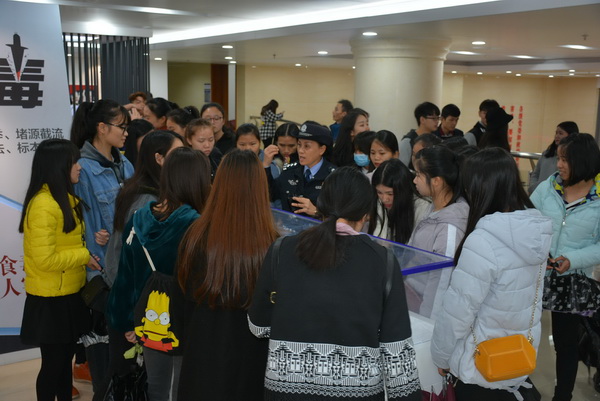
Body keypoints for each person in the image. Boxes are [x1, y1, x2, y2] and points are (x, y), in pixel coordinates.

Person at [249, 166, 421, 401]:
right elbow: (397, 352)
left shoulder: (282, 250)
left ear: (321, 205)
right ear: (366, 213)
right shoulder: (383, 261)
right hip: (357, 393)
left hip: (287, 392)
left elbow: (258, 326)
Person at [431, 147, 553, 400]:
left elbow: (458, 312)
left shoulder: (483, 240)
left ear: (480, 188)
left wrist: (441, 356)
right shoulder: (535, 233)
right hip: (516, 356)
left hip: (480, 364)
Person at [108, 147, 211, 401]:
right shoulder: (199, 226)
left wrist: (127, 321)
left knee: (155, 385)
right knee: (184, 386)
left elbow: (125, 277)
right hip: (188, 321)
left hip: (151, 319)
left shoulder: (139, 218)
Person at [177, 149, 279, 400]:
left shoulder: (195, 236)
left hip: (201, 361)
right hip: (253, 366)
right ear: (260, 188)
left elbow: (182, 301)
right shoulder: (273, 245)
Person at [19, 139, 102, 401]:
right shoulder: (44, 205)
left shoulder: (63, 199)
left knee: (64, 362)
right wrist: (83, 256)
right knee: (53, 365)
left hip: (68, 292)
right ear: (58, 166)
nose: (79, 167)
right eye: (74, 162)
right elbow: (45, 259)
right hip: (50, 299)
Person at [70, 99, 134, 400]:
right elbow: (83, 226)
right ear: (101, 128)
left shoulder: (126, 164)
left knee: (126, 355)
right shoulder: (83, 169)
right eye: (122, 127)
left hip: (127, 267)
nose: (126, 133)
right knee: (103, 355)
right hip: (101, 272)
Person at [530, 133, 600, 401]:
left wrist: (572, 259)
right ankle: (519, 385)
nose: (558, 164)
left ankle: (563, 396)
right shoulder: (548, 188)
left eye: (565, 159)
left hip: (573, 281)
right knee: (525, 334)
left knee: (565, 344)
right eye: (559, 158)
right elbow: (526, 220)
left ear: (583, 161)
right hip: (536, 275)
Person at [406, 146, 468, 319]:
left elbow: (440, 283)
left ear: (436, 181)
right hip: (413, 294)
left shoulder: (450, 227)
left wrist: (426, 324)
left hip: (425, 309)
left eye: (418, 175)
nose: (414, 180)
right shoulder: (435, 207)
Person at [273, 122, 335, 216]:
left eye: (307, 146)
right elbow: (272, 194)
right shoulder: (289, 171)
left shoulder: (334, 177)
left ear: (321, 149)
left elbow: (340, 216)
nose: (301, 151)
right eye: (299, 145)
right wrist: (266, 166)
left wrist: (317, 212)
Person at [368, 158, 430, 243]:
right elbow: (378, 237)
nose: (384, 199)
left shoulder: (421, 207)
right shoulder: (378, 201)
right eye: (379, 192)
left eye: (390, 194)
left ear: (403, 191)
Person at [528, 121, 579, 195]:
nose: (557, 136)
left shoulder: (574, 158)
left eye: (560, 133)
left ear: (570, 135)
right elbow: (535, 174)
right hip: (538, 194)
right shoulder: (546, 154)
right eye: (556, 133)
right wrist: (533, 188)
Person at [399, 102, 440, 167]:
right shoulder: (408, 142)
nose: (437, 121)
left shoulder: (436, 139)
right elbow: (402, 168)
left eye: (438, 118)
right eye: (434, 118)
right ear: (422, 119)